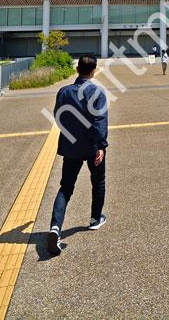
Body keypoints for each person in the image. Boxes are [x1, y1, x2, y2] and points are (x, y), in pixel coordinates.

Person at [46, 55, 108, 256]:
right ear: (93, 70)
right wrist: (101, 145)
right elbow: (100, 120)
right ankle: (95, 219)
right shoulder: (97, 91)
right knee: (98, 182)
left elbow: (58, 116)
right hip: (91, 147)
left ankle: (55, 227)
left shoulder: (64, 92)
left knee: (66, 187)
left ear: (77, 69)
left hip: (71, 147)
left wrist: (71, 135)